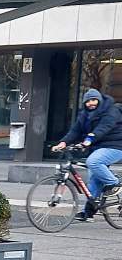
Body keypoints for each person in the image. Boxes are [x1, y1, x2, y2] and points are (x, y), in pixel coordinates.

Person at [51, 87, 122, 221]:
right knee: (94, 181)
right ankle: (88, 213)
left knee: (93, 162)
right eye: (88, 101)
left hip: (115, 146)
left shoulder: (112, 110)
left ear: (99, 100)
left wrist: (89, 139)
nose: (91, 103)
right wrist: (63, 143)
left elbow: (104, 127)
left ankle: (115, 184)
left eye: (94, 100)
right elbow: (75, 130)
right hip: (98, 148)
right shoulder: (84, 115)